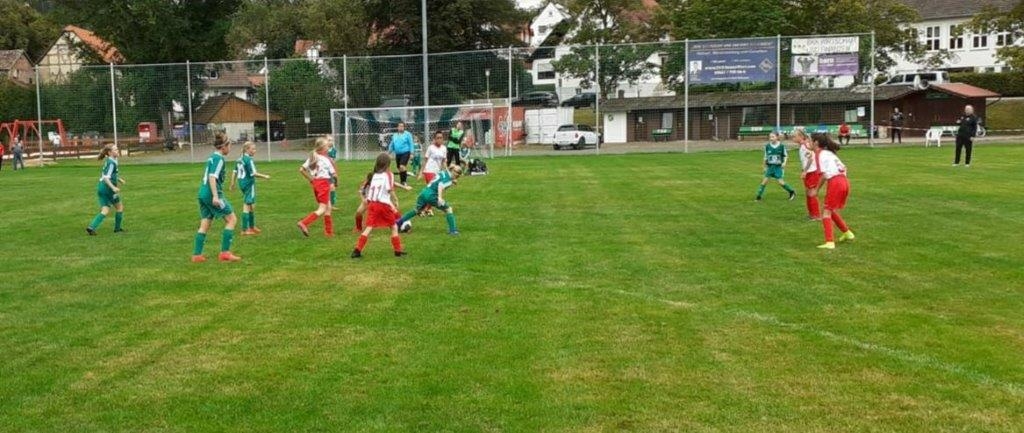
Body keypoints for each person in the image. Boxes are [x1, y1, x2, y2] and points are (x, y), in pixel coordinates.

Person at [192, 132, 242, 262]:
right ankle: (225, 253)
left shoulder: (211, 158)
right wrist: (215, 196)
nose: (230, 148)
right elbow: (212, 177)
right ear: (224, 146)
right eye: (229, 146)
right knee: (232, 219)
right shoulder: (219, 159)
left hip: (202, 193)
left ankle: (197, 255)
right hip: (211, 194)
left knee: (205, 223)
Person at [351, 153, 407, 258]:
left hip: (372, 204)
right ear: (388, 164)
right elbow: (390, 189)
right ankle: (398, 250)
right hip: (383, 205)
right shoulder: (388, 175)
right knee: (393, 226)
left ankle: (357, 250)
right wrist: (395, 199)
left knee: (369, 227)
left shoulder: (375, 175)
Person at [812, 133, 855, 249]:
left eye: (811, 140)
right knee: (830, 209)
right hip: (844, 181)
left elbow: (824, 175)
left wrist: (816, 189)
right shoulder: (830, 153)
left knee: (826, 212)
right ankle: (847, 233)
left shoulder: (819, 154)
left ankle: (829, 242)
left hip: (836, 182)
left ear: (816, 142)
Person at [397, 164, 463, 236]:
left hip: (424, 192)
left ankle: (398, 223)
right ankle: (453, 231)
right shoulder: (449, 180)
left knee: (417, 210)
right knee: (448, 209)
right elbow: (440, 185)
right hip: (432, 195)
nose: (457, 177)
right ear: (455, 174)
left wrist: (452, 181)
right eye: (458, 175)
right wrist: (440, 198)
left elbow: (440, 180)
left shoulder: (443, 172)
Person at [296, 137, 337, 237]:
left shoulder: (312, 157)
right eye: (327, 146)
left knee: (328, 207)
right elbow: (334, 174)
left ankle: (329, 233)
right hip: (324, 184)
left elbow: (301, 170)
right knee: (322, 208)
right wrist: (336, 183)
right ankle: (304, 223)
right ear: (323, 148)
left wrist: (311, 179)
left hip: (316, 183)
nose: (328, 147)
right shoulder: (326, 159)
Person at [230, 142, 270, 236]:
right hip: (249, 184)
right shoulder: (249, 160)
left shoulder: (239, 159)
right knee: (247, 205)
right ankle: (244, 229)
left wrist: (232, 183)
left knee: (251, 205)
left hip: (241, 183)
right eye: (253, 149)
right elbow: (254, 173)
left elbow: (234, 171)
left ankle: (252, 226)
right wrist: (265, 176)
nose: (254, 151)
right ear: (247, 149)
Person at [86, 144, 126, 235]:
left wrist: (119, 179)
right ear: (110, 152)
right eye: (115, 150)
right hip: (108, 188)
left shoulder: (110, 160)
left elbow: (108, 174)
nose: (118, 151)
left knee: (105, 209)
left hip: (101, 188)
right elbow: (106, 178)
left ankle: (91, 227)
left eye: (117, 149)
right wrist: (113, 187)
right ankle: (117, 229)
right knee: (119, 207)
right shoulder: (111, 163)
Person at [755, 132, 797, 202]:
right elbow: (765, 157)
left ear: (777, 137)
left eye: (773, 137)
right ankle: (758, 196)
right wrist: (764, 167)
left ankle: (791, 191)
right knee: (764, 182)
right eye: (770, 137)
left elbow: (785, 156)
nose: (771, 138)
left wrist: (784, 163)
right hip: (770, 167)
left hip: (778, 167)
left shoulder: (781, 146)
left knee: (781, 182)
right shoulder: (767, 146)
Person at [793, 128, 821, 221]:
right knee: (808, 193)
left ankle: (816, 215)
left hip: (811, 172)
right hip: (809, 172)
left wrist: (804, 171)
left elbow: (810, 159)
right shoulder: (803, 145)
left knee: (811, 193)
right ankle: (811, 214)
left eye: (794, 136)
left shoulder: (805, 146)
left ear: (801, 136)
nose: (793, 138)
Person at [389, 121, 414, 186]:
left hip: (406, 152)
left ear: (404, 127)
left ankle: (404, 182)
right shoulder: (394, 135)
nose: (401, 127)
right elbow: (392, 144)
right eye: (400, 126)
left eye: (402, 126)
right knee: (399, 168)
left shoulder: (408, 134)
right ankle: (402, 181)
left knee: (402, 166)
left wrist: (411, 153)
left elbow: (411, 144)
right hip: (398, 154)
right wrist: (389, 153)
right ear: (397, 127)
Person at [327, 136, 340, 209]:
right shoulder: (323, 150)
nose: (331, 142)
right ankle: (325, 204)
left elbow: (333, 161)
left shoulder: (334, 150)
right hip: (324, 172)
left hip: (330, 171)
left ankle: (331, 205)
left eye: (332, 140)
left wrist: (335, 171)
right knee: (327, 188)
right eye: (329, 140)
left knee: (332, 187)